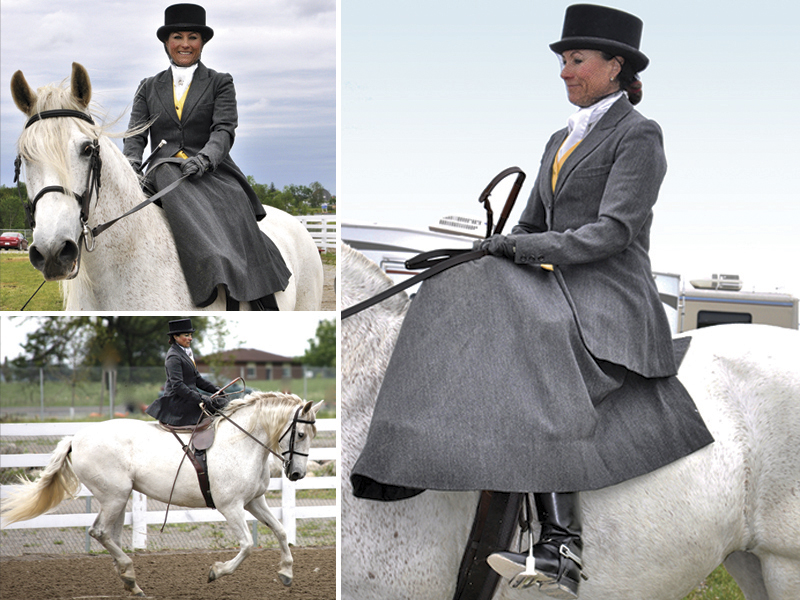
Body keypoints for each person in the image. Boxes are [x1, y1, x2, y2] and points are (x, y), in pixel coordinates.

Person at [348, 5, 713, 599]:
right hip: (559, 276)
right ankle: (411, 453)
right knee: (457, 286)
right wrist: (496, 249)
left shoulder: (640, 135)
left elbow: (612, 232)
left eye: (577, 61)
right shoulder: (558, 138)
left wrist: (520, 248)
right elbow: (530, 222)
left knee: (528, 338)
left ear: (614, 66)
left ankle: (561, 541)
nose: (565, 72)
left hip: (610, 289)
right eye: (563, 61)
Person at [123, 3, 291, 310]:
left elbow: (224, 130)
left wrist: (205, 159)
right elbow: (135, 135)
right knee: (161, 174)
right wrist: (131, 165)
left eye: (192, 37)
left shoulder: (220, 82)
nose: (185, 44)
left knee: (234, 212)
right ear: (166, 42)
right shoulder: (147, 87)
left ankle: (258, 293)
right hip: (163, 169)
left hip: (211, 170)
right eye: (177, 36)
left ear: (202, 43)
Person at [146, 318, 225, 427]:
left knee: (223, 404)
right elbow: (178, 386)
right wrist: (201, 397)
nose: (191, 338)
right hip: (178, 402)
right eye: (187, 335)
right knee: (217, 407)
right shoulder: (174, 357)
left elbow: (198, 379)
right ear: (176, 337)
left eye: (191, 335)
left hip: (189, 398)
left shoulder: (186, 353)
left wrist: (216, 389)